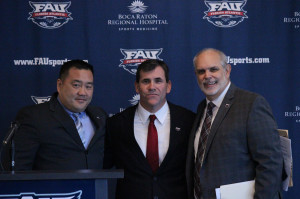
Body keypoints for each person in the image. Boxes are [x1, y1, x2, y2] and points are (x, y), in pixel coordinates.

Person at [186, 48, 283, 199]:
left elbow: (270, 163)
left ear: (227, 70)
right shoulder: (202, 109)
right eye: (201, 71)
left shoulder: (251, 104)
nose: (207, 76)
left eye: (213, 69)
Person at [104, 59, 195, 199]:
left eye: (158, 81)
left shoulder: (189, 121)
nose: (152, 87)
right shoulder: (116, 124)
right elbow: (100, 166)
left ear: (168, 86)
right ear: (137, 86)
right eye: (146, 81)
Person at [13, 60, 107, 170]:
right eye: (76, 85)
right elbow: (20, 169)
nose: (83, 92)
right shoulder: (34, 117)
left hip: (95, 187)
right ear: (59, 85)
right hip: (52, 187)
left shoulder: (100, 116)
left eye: (88, 86)